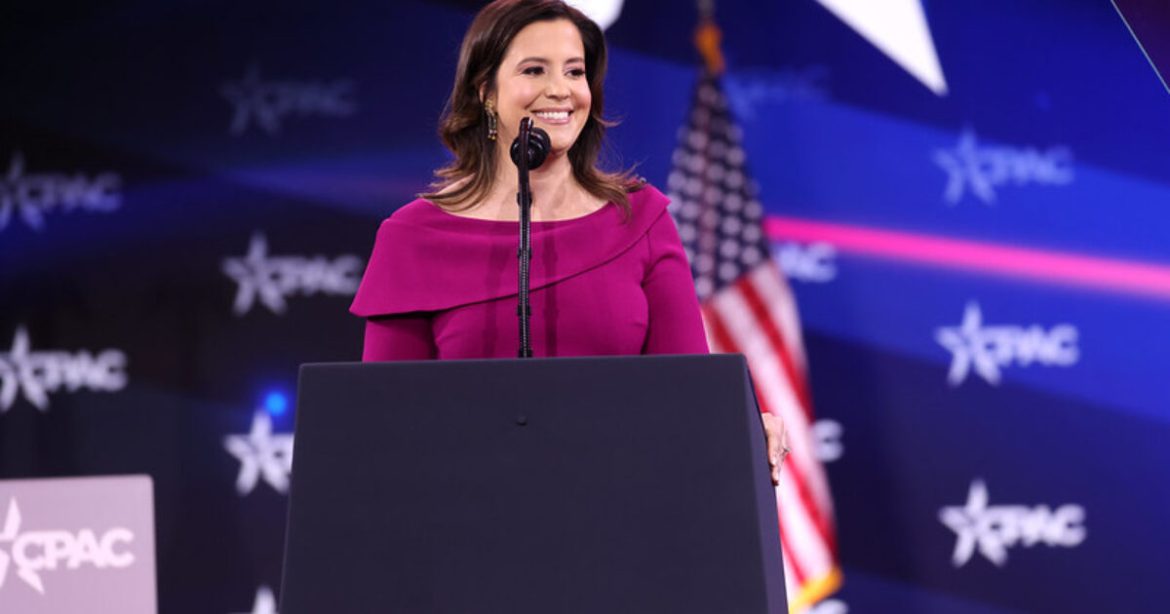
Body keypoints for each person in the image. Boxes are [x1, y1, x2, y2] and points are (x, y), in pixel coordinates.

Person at [350, 0, 788, 480]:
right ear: (486, 92)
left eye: (575, 72)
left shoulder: (640, 219)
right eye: (534, 70)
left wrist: (740, 428)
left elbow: (687, 394)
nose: (560, 90)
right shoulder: (414, 237)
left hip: (623, 501)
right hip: (463, 505)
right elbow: (384, 423)